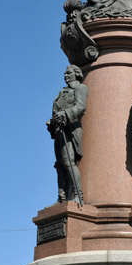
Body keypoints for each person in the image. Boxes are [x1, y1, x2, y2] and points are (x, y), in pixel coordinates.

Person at [46, 65, 88, 203]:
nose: (65, 75)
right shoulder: (62, 92)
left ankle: (78, 195)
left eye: (68, 73)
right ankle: (62, 198)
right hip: (59, 130)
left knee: (68, 162)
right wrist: (52, 121)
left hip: (71, 128)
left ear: (77, 74)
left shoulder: (80, 88)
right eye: (64, 73)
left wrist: (65, 114)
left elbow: (80, 107)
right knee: (59, 165)